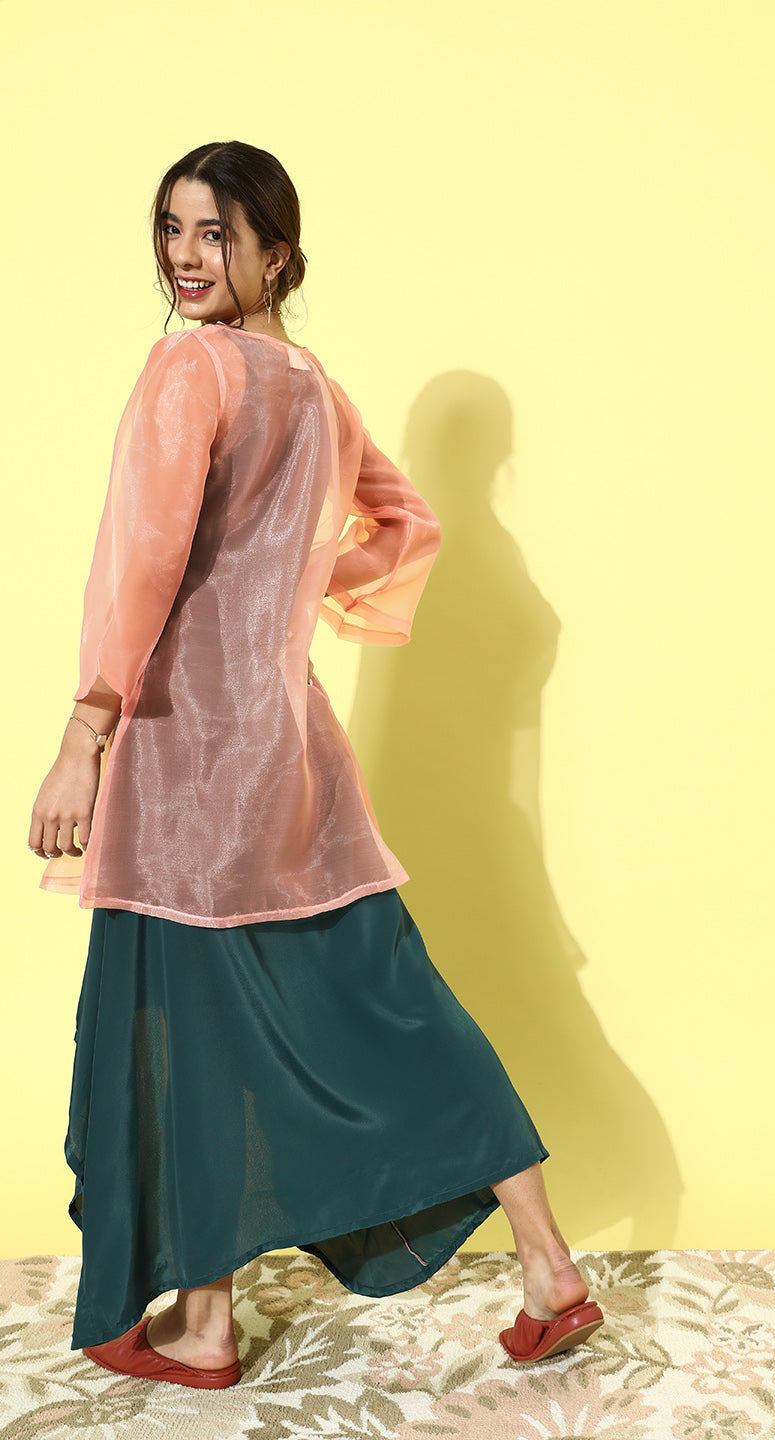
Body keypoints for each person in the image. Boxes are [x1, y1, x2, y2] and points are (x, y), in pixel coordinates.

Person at [27, 140, 603, 1391]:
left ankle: (206, 1326)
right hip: (291, 757)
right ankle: (549, 1265)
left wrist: (86, 731)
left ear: (277, 253)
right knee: (396, 1002)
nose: (186, 257)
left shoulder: (191, 369)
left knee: (181, 1028)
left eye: (215, 234)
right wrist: (286, 583)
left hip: (188, 758)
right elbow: (409, 525)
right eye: (171, 228)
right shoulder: (316, 390)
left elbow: (144, 560)